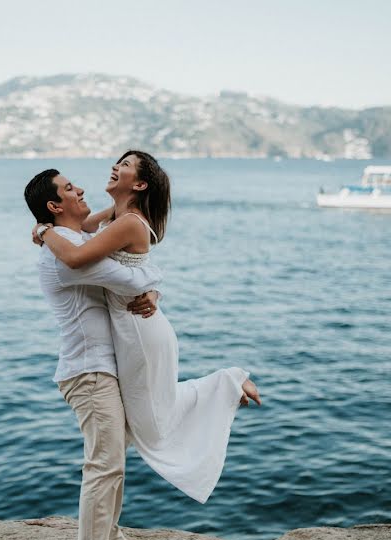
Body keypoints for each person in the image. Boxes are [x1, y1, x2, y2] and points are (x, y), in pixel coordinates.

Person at [34, 150, 261, 508]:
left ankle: (229, 382)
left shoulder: (128, 222)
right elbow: (87, 230)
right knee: (148, 417)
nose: (114, 167)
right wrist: (153, 289)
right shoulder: (118, 216)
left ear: (139, 184)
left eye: (124, 166)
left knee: (151, 425)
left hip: (139, 330)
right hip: (134, 326)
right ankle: (227, 385)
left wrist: (45, 229)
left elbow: (77, 257)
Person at [24, 168, 160, 540]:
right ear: (53, 205)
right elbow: (134, 279)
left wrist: (46, 228)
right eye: (69, 188)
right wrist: (154, 287)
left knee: (115, 454)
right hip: (88, 371)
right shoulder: (65, 254)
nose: (80, 188)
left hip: (104, 367)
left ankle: (111, 533)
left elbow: (101, 233)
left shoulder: (74, 241)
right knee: (104, 464)